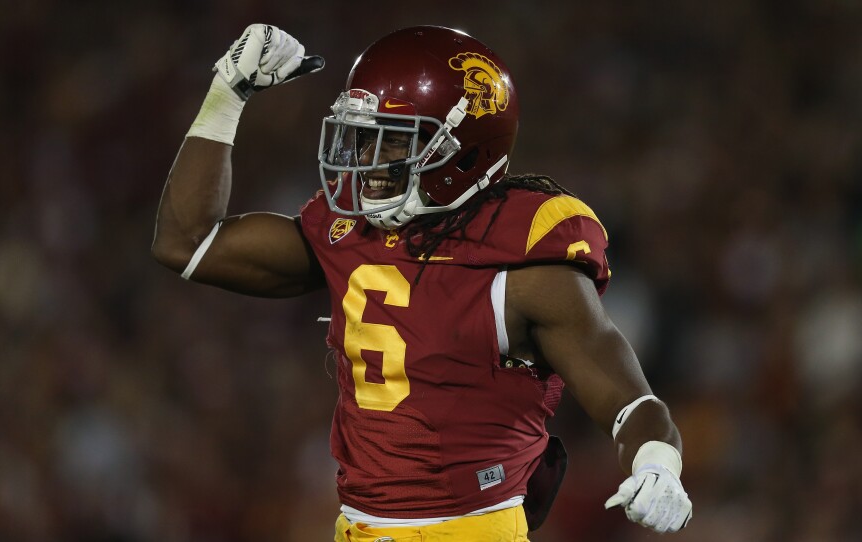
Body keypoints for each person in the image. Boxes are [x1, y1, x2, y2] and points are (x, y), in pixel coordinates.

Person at [152, 23, 693, 541]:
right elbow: (186, 241)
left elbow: (630, 403)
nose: (366, 160)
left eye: (391, 141)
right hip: (356, 528)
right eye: (363, 138)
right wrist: (229, 91)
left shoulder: (524, 270)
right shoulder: (348, 234)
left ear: (462, 149)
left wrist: (658, 463)